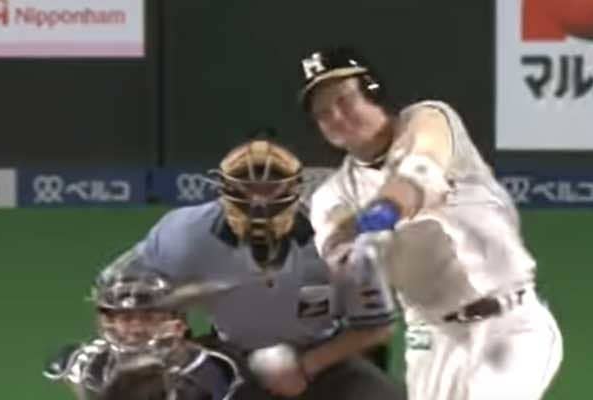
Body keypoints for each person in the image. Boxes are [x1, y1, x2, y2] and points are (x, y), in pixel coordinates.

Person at [298, 47, 563, 400]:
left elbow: (419, 172)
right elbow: (337, 251)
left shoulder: (430, 119)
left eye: (344, 100)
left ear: (373, 92)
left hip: (509, 324)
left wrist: (384, 213)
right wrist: (347, 255)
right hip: (431, 341)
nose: (336, 116)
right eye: (323, 113)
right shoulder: (332, 195)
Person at [108, 138, 405, 399]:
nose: (259, 203)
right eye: (247, 189)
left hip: (323, 355)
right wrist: (165, 333)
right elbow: (125, 286)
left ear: (295, 190)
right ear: (223, 190)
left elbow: (376, 327)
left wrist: (305, 367)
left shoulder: (337, 236)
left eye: (270, 189)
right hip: (229, 355)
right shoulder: (187, 233)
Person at [43, 263, 243, 400]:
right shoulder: (84, 364)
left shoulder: (208, 369)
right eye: (126, 318)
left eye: (149, 317)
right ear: (107, 321)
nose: (137, 328)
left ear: (174, 320)